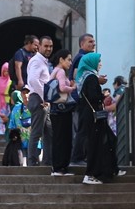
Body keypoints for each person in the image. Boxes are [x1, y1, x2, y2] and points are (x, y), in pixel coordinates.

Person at [75, 52, 117, 185]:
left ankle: (110, 168)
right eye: (98, 61)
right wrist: (102, 95)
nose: (100, 64)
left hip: (88, 115)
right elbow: (93, 97)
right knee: (95, 145)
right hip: (93, 116)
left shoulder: (85, 77)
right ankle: (90, 174)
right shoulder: (91, 78)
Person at [47, 48, 77, 176]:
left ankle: (59, 167)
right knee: (63, 138)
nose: (70, 63)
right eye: (69, 59)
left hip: (56, 109)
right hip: (61, 109)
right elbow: (62, 88)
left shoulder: (55, 71)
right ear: (61, 60)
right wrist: (73, 87)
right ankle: (60, 168)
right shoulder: (60, 71)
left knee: (59, 138)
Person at [25, 35, 54, 167]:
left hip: (41, 99)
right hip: (38, 99)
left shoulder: (42, 61)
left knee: (49, 132)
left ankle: (47, 161)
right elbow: (32, 80)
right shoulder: (37, 61)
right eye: (46, 46)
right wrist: (44, 97)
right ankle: (32, 163)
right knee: (36, 133)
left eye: (51, 46)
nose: (48, 49)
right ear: (39, 46)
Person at [70, 33, 99, 165]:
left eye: (93, 42)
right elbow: (78, 79)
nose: (93, 44)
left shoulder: (85, 58)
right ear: (82, 44)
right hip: (82, 100)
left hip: (83, 99)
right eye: (90, 42)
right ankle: (78, 157)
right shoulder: (81, 58)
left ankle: (84, 156)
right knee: (82, 130)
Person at [6, 89, 31, 158]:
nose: (25, 95)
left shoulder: (34, 106)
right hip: (25, 139)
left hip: (28, 139)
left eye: (27, 93)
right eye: (23, 93)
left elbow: (11, 124)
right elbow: (12, 123)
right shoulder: (17, 108)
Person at [0, 62, 12, 133]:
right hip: (1, 102)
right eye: (4, 71)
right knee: (1, 117)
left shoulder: (11, 80)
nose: (6, 73)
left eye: (7, 71)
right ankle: (1, 131)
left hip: (9, 101)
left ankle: (8, 131)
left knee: (8, 116)